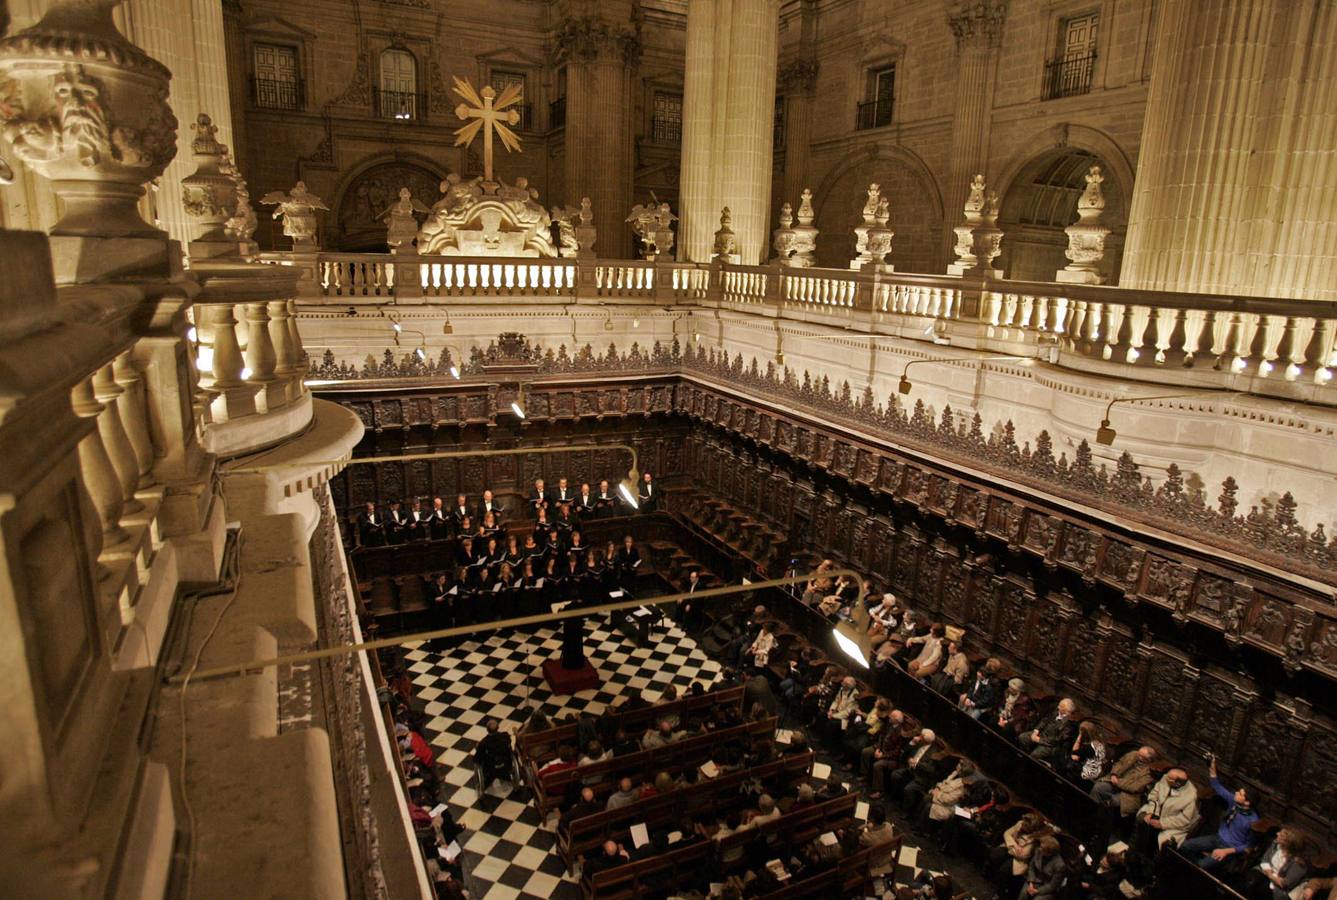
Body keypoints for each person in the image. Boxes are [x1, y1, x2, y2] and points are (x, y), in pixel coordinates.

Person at [1179, 755, 1260, 870]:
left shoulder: (1252, 820)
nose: (1236, 793)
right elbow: (1216, 785)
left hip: (1230, 849)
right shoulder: (1234, 802)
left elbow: (1248, 846)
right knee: (1185, 846)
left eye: (1240, 794)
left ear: (1247, 803)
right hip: (1217, 838)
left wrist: (1226, 851)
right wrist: (1212, 766)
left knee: (1202, 866)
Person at [1134, 768, 1200, 854]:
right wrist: (1151, 812)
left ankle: (1148, 859)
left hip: (1173, 825)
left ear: (1177, 783)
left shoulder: (1191, 796)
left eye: (1169, 778)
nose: (1165, 778)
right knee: (1141, 819)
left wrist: (1162, 823)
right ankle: (1134, 852)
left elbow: (1184, 820)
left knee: (1161, 841)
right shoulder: (1166, 778)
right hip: (1156, 811)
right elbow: (1154, 796)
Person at [1090, 745, 1158, 823]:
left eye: (1142, 757)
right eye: (1139, 754)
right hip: (1113, 782)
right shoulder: (1133, 754)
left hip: (1128, 795)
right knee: (1099, 788)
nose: (1138, 757)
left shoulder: (1149, 773)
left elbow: (1134, 788)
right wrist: (1114, 774)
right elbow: (1119, 763)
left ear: (1149, 760)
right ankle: (1090, 811)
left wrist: (1117, 782)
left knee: (1111, 801)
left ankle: (1100, 823)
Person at [991, 812, 1049, 898]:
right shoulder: (1020, 823)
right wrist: (1014, 845)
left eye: (1025, 825)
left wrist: (1010, 846)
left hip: (1019, 861)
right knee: (995, 854)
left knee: (1004, 870)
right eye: (1023, 823)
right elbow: (1007, 833)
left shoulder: (1034, 839)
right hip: (1010, 849)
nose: (1022, 825)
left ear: (1031, 828)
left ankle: (1000, 894)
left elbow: (1023, 855)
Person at [1244, 829, 1309, 900]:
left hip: (1277, 888)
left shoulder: (1298, 864)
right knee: (1251, 879)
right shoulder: (1275, 844)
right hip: (1266, 872)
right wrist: (1270, 874)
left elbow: (1285, 884)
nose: (1277, 833)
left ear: (1288, 842)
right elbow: (1265, 860)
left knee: (1263, 889)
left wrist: (1271, 876)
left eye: (1281, 835)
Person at [1020, 698, 1077, 764]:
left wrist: (1039, 740)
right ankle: (1023, 757)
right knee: (1022, 737)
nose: (1058, 707)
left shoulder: (1069, 725)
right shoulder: (1055, 712)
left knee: (1035, 755)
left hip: (1049, 745)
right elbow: (1044, 721)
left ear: (1065, 710)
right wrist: (1036, 731)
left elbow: (1057, 740)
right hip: (1041, 734)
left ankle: (1026, 764)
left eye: (1060, 706)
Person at [475, 718, 513, 790]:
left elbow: (478, 758)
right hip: (505, 763)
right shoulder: (505, 736)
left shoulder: (484, 743)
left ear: (487, 729)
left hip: (490, 767)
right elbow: (509, 745)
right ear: (498, 727)